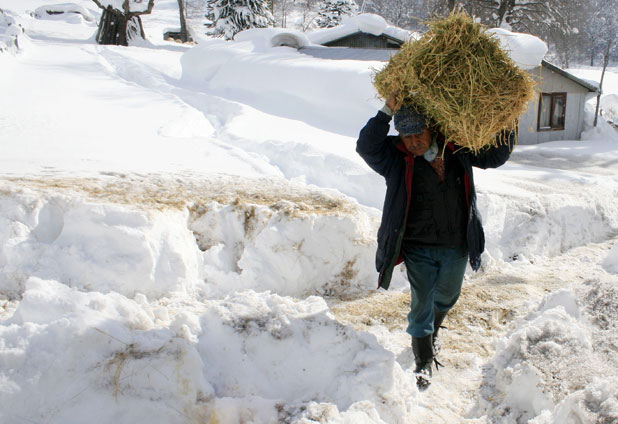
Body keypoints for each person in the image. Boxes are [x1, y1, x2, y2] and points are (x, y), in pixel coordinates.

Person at [356, 93, 514, 389]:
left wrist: (508, 118)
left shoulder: (458, 149)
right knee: (422, 301)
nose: (413, 141)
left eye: (419, 133)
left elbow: (495, 156)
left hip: (456, 244)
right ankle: (423, 361)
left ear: (433, 129)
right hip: (417, 247)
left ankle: (432, 332)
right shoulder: (395, 158)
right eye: (406, 135)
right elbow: (366, 146)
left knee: (448, 296)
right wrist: (387, 110)